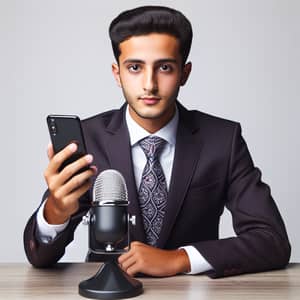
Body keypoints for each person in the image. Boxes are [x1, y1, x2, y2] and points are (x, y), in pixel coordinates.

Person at [23, 5, 291, 278]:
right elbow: (39, 256)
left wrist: (180, 259)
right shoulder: (88, 138)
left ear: (184, 73)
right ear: (117, 74)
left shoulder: (222, 140)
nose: (149, 84)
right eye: (135, 67)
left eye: (164, 67)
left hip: (192, 295)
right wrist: (55, 211)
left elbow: (272, 240)